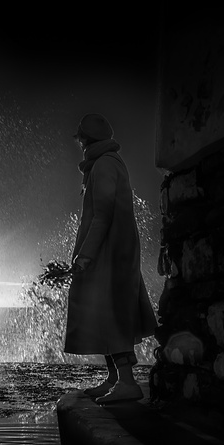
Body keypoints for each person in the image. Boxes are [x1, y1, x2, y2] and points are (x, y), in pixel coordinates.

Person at [65, 113, 157, 404]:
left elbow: (103, 215)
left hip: (110, 253)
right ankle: (115, 378)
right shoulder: (105, 163)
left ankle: (127, 382)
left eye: (81, 138)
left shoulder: (104, 164)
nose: (79, 143)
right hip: (111, 251)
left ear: (88, 139)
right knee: (106, 312)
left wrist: (85, 256)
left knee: (111, 313)